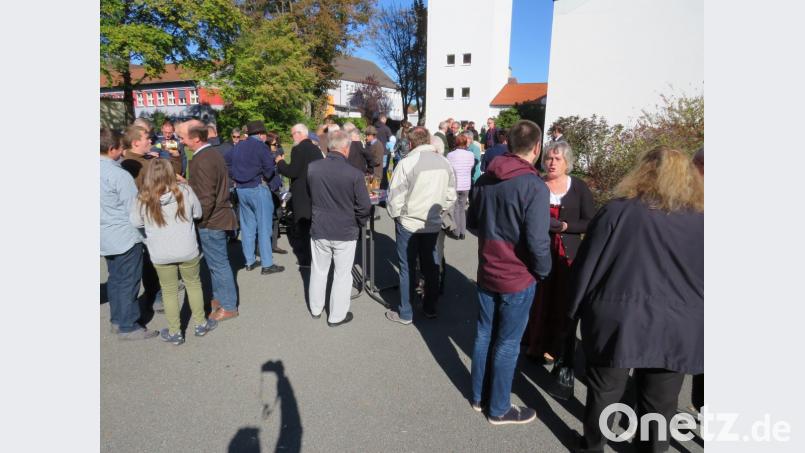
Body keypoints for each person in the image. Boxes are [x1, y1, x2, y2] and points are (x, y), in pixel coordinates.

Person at [568, 146, 703, 452]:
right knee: (660, 404)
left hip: (619, 319)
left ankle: (592, 447)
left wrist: (571, 312)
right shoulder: (703, 220)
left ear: (643, 171)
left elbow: (586, 266)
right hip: (677, 326)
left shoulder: (617, 210)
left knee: (604, 391)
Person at [467, 119, 551, 425]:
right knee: (506, 342)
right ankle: (499, 408)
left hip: (488, 268)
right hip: (517, 275)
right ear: (537, 148)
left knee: (483, 334)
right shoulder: (534, 186)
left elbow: (472, 222)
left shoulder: (486, 179)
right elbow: (537, 241)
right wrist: (542, 271)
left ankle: (478, 397)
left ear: (509, 143)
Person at [129, 159, 218, 345]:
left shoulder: (143, 197)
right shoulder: (185, 191)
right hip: (187, 248)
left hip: (160, 251)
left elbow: (136, 222)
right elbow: (198, 214)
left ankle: (175, 332)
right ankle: (201, 324)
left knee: (169, 291)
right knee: (193, 284)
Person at [523, 141, 594, 365]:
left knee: (562, 302)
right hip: (539, 250)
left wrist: (565, 227)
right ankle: (535, 343)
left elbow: (590, 222)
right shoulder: (535, 184)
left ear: (567, 163)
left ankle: (555, 347)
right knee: (537, 299)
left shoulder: (579, 187)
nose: (552, 163)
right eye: (549, 158)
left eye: (557, 159)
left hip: (567, 255)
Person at [385, 126, 457, 324]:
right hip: (432, 223)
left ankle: (406, 312)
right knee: (430, 265)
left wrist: (397, 216)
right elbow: (451, 195)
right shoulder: (444, 163)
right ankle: (430, 307)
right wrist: (439, 213)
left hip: (409, 223)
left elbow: (395, 196)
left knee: (407, 267)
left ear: (410, 143)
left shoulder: (407, 163)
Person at [306, 130, 372, 327]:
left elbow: (312, 195)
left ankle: (316, 308)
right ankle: (336, 316)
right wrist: (360, 222)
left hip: (320, 226)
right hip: (345, 229)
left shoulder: (313, 168)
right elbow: (364, 206)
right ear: (346, 148)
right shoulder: (354, 174)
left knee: (319, 270)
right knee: (342, 275)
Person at [100, 127, 158, 340]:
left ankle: (117, 319)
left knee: (115, 279)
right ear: (113, 148)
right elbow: (134, 209)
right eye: (121, 148)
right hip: (124, 235)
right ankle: (128, 325)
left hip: (104, 234)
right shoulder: (118, 175)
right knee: (128, 280)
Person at [179, 120, 240, 322]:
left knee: (219, 264)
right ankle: (220, 299)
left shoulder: (204, 158)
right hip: (215, 218)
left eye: (183, 137)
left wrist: (198, 220)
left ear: (196, 138)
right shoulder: (210, 153)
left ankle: (229, 306)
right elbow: (207, 188)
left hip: (211, 220)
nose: (181, 141)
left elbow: (206, 198)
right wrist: (188, 183)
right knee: (216, 264)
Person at [226, 120, 285, 275]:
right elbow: (269, 168)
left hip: (241, 189)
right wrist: (269, 177)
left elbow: (229, 165)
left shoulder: (238, 146)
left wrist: (237, 177)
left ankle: (250, 261)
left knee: (247, 227)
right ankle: (267, 264)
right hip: (257, 187)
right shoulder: (261, 147)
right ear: (260, 134)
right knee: (264, 226)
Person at [276, 123, 324, 267]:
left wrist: (280, 162)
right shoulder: (316, 149)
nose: (292, 138)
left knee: (303, 227)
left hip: (302, 193)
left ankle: (306, 260)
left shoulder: (298, 149)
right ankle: (317, 257)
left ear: (299, 133)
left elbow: (292, 171)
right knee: (313, 226)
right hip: (314, 191)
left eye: (292, 135)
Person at [445, 134, 475, 240]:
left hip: (455, 184)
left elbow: (448, 168)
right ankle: (462, 232)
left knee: (456, 208)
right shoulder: (470, 154)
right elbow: (471, 166)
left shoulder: (450, 155)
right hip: (466, 184)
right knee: (462, 208)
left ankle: (457, 232)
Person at [266, 131, 288, 255]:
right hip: (267, 187)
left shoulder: (278, 150)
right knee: (267, 217)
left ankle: (274, 244)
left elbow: (282, 163)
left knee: (276, 215)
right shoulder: (265, 154)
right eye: (274, 144)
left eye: (277, 143)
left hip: (276, 185)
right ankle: (263, 245)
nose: (277, 146)